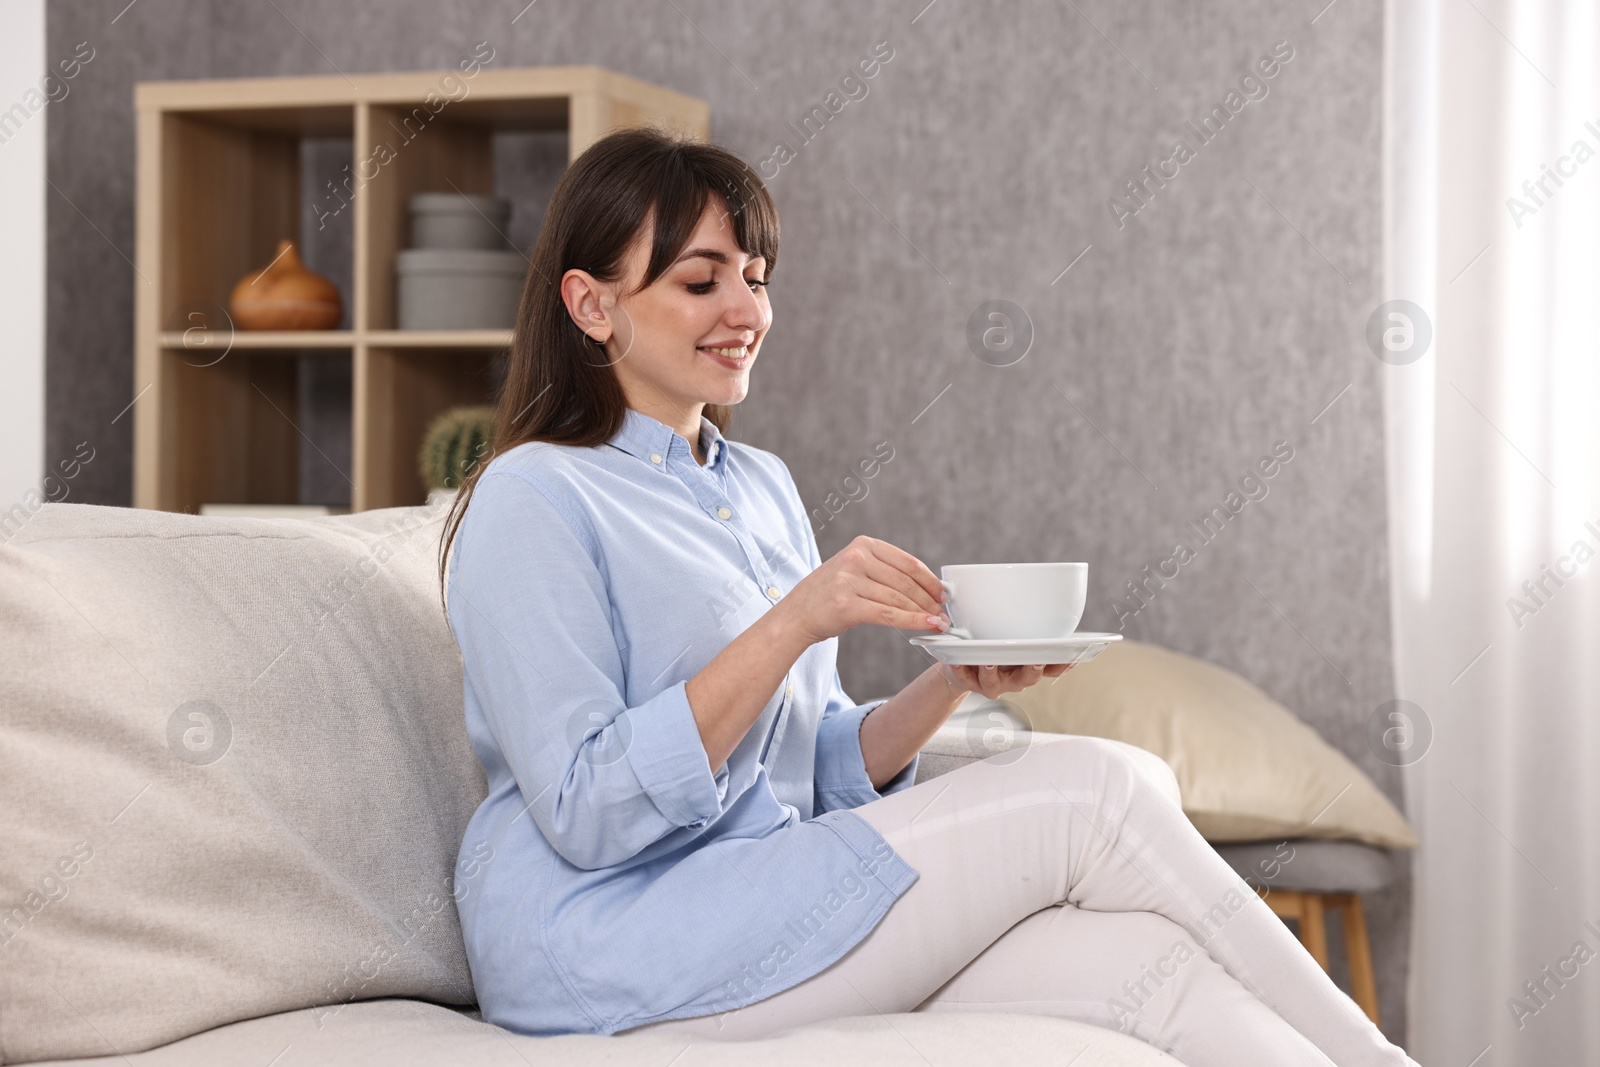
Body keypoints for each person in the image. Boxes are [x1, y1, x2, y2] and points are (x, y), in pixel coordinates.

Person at [438, 127, 1420, 1067]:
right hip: (609, 937)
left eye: (756, 278)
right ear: (591, 303)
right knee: (1101, 787)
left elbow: (810, 770)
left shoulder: (757, 484)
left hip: (769, 888)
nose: (747, 310)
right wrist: (793, 621)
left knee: (1160, 979)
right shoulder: (535, 497)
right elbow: (581, 807)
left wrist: (951, 684)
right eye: (702, 280)